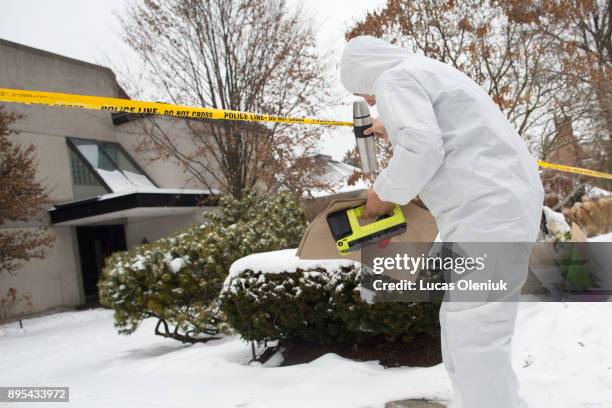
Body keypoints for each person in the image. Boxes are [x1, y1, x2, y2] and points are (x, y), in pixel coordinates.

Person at [340, 36, 544, 408]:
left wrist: (378, 196)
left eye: (362, 91)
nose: (369, 101)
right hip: (501, 207)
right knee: (463, 327)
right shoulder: (432, 71)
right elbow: (450, 132)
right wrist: (391, 128)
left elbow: (423, 148)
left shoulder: (394, 78)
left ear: (365, 71)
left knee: (475, 336)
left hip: (488, 214)